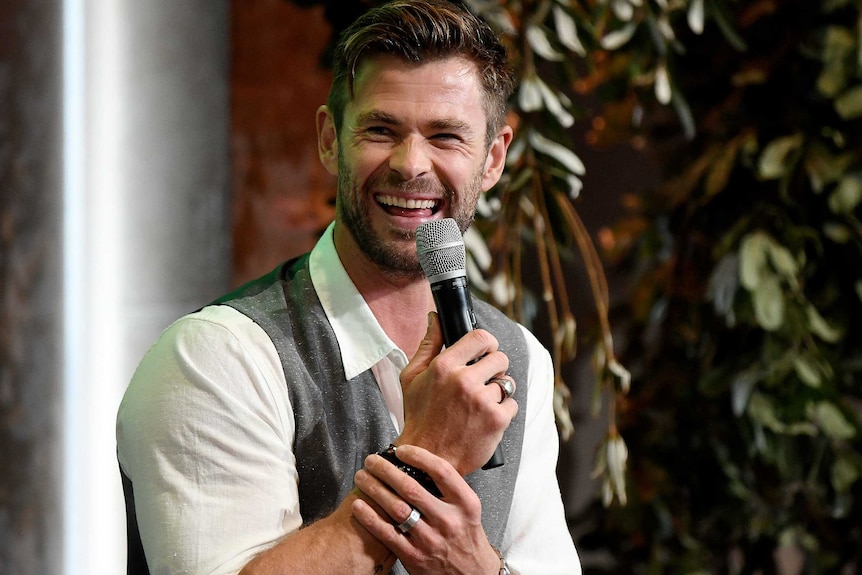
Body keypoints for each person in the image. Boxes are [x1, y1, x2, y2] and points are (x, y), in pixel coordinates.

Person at [116, 0, 582, 573]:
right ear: (330, 139)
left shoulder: (520, 359)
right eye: (382, 129)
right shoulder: (216, 355)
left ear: (492, 160)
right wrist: (427, 453)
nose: (412, 164)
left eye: (445, 137)